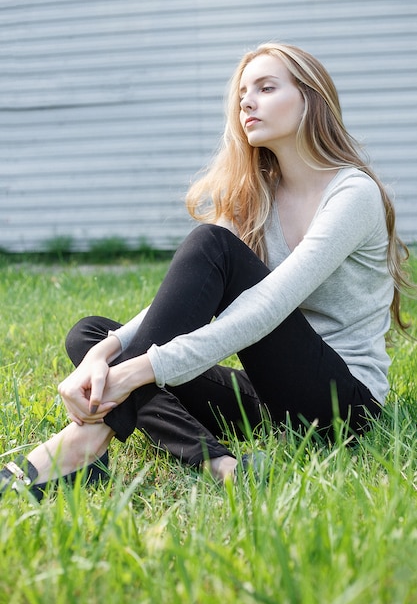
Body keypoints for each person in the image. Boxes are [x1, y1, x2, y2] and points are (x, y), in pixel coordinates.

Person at [0, 42, 413, 497]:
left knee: (208, 248)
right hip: (267, 395)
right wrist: (111, 354)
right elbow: (175, 306)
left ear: (310, 97)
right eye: (241, 95)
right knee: (91, 336)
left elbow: (267, 307)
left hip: (341, 403)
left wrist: (137, 371)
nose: (247, 103)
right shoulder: (257, 195)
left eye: (266, 87)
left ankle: (86, 442)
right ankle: (218, 463)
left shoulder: (352, 194)